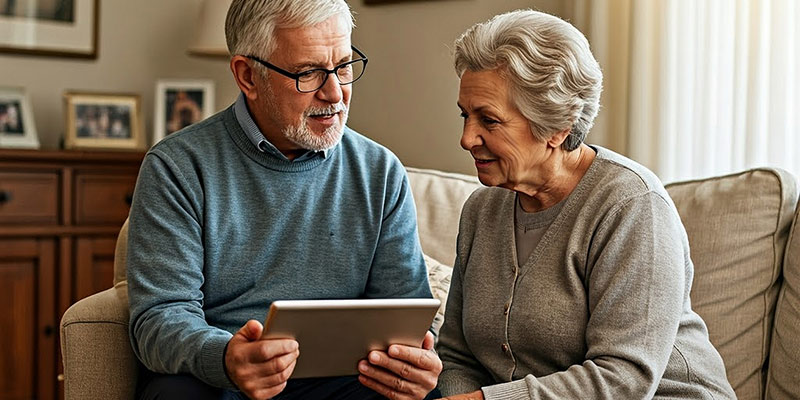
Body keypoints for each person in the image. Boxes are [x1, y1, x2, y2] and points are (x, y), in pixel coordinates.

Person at [126, 1, 442, 399]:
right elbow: (159, 317)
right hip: (226, 380)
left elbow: (407, 314)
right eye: (308, 72)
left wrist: (415, 360)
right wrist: (224, 357)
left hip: (345, 382)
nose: (334, 93)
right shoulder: (177, 167)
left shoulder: (380, 171)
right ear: (247, 76)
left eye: (343, 66)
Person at [435, 9, 736, 400]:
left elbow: (624, 378)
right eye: (465, 115)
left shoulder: (631, 205)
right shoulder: (481, 211)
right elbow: (458, 356)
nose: (466, 138)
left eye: (488, 120)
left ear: (557, 126)